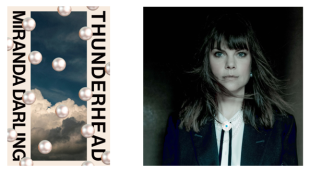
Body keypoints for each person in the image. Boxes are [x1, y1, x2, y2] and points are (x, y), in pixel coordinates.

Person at [162, 13, 298, 166]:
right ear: (207, 63)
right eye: (219, 54)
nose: (230, 64)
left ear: (252, 64)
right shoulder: (178, 126)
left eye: (240, 54)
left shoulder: (282, 127)